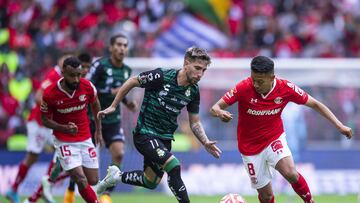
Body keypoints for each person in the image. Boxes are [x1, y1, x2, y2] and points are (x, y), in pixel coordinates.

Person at [210, 56, 353, 203]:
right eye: (254, 79)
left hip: (274, 138)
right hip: (249, 148)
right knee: (266, 196)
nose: (256, 84)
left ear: (272, 77)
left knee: (291, 173)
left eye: (260, 81)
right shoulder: (243, 87)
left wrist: (339, 125)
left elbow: (315, 104)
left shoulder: (286, 88)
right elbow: (214, 108)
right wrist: (220, 112)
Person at [96, 46, 222, 203]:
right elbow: (133, 81)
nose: (200, 74)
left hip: (165, 139)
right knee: (174, 166)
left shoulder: (193, 91)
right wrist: (114, 105)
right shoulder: (162, 76)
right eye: (197, 68)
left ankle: (116, 176)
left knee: (150, 181)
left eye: (203, 70)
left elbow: (194, 122)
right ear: (186, 63)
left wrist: (205, 141)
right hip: (145, 133)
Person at [22, 52, 94, 203]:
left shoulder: (85, 83)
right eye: (84, 67)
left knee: (73, 170)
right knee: (71, 168)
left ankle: (38, 193)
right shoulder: (56, 79)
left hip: (81, 131)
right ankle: (38, 192)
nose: (86, 71)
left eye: (88, 67)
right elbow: (39, 97)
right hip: (61, 131)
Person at [6, 53, 71, 203]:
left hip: (49, 124)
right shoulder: (54, 74)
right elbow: (38, 97)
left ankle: (41, 190)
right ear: (59, 61)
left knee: (62, 154)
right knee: (34, 156)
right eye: (64, 61)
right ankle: (17, 189)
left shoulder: (66, 77)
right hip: (39, 123)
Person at [40, 56, 103, 203]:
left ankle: (59, 167)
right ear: (62, 73)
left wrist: (98, 130)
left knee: (93, 180)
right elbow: (45, 120)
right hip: (64, 140)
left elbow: (96, 105)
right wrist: (64, 128)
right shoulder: (50, 93)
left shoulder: (87, 87)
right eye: (72, 75)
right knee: (80, 179)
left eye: (78, 75)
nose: (76, 79)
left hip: (85, 137)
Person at [86, 34, 137, 203]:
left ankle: (106, 195)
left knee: (119, 153)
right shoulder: (100, 65)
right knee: (86, 161)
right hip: (92, 119)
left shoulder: (127, 71)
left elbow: (120, 94)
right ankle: (73, 194)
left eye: (125, 45)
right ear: (111, 47)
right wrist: (110, 92)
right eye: (119, 45)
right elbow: (85, 88)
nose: (122, 48)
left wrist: (128, 103)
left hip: (113, 120)